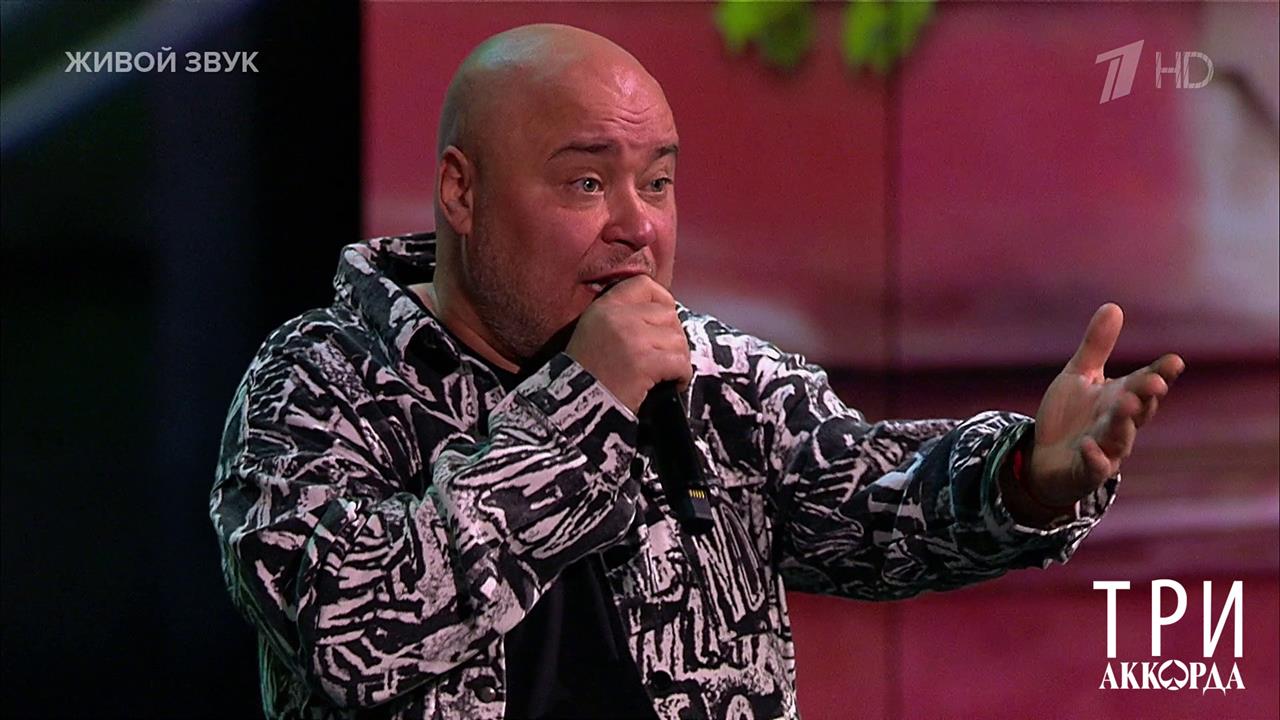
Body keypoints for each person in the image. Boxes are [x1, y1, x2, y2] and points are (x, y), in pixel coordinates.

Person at [210, 23, 1184, 720]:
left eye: (658, 182)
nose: (637, 225)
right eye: (586, 181)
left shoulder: (715, 374)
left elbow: (871, 507)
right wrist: (584, 403)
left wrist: (1023, 479)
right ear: (462, 192)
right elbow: (354, 633)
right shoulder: (321, 381)